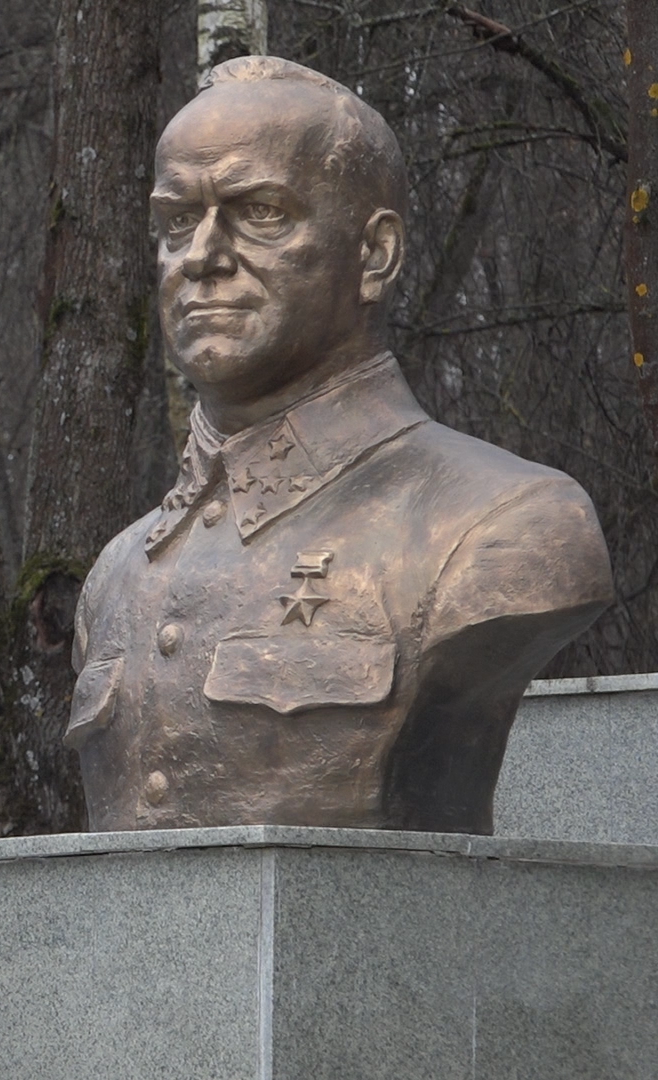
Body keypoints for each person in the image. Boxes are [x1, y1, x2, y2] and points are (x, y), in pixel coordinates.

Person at [71, 56, 613, 833]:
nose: (202, 255)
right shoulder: (116, 578)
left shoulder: (507, 526)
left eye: (260, 212)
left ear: (374, 255)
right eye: (176, 221)